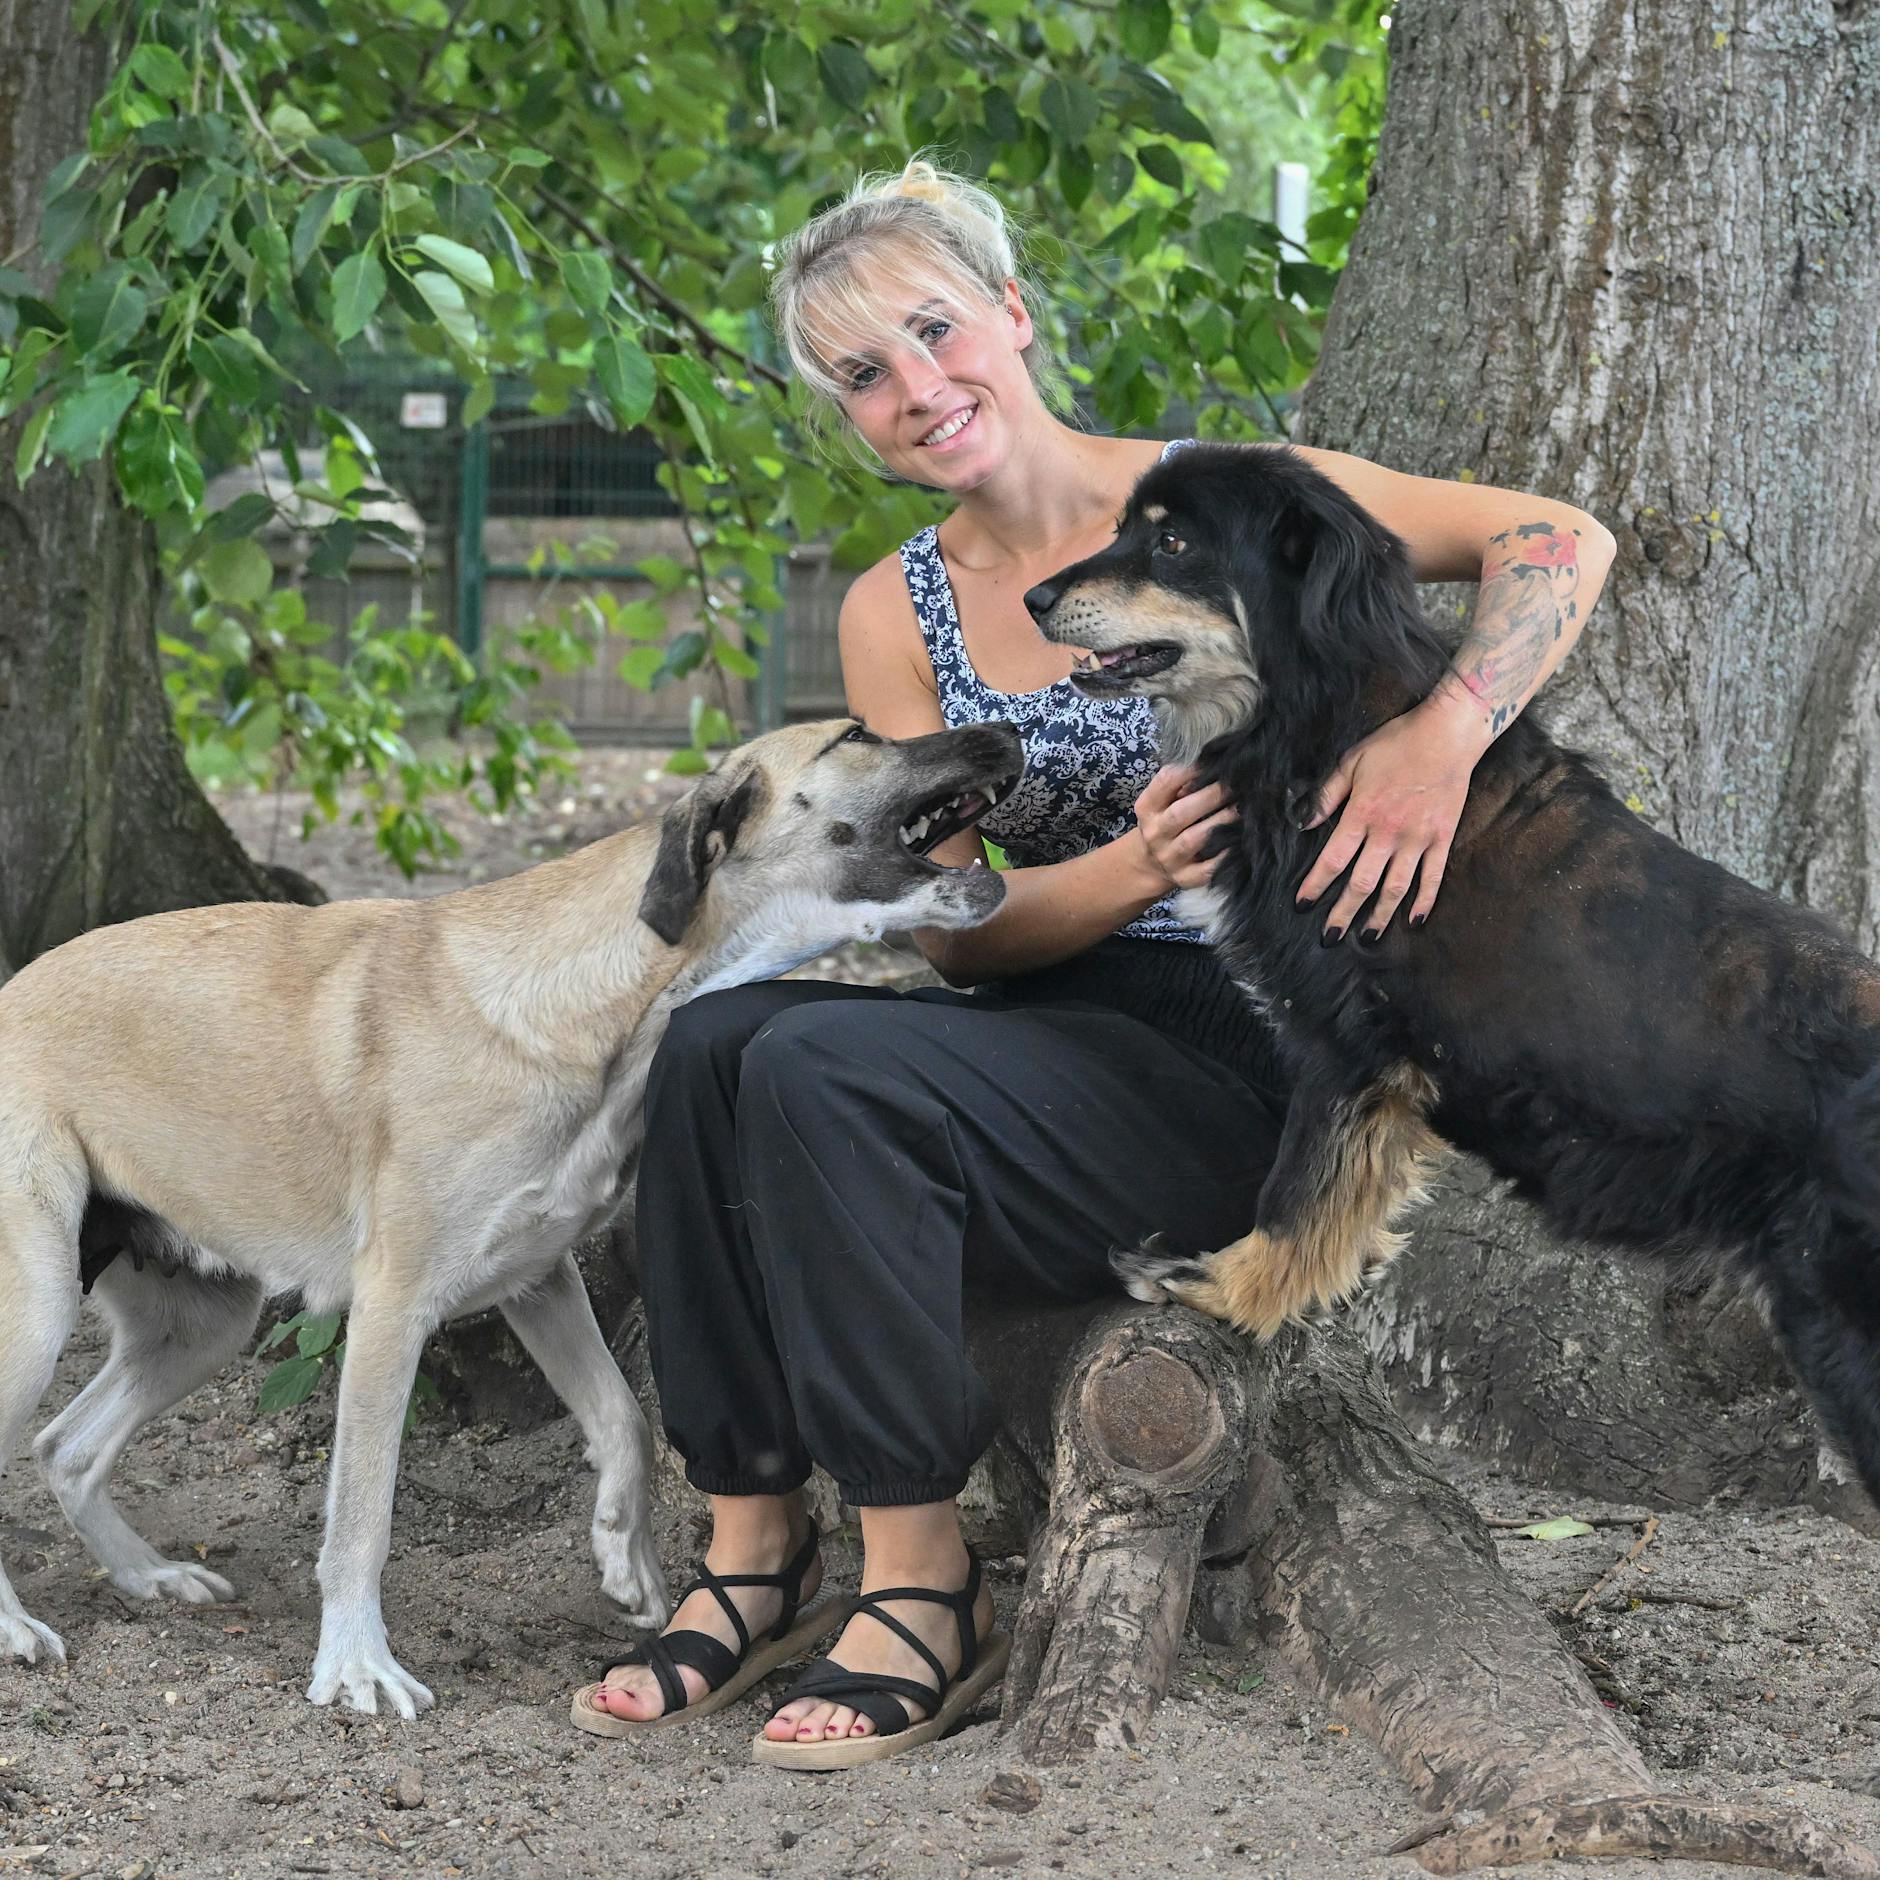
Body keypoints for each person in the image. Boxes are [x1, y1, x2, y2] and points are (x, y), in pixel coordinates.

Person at [571, 161, 1617, 1766]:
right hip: (1031, 1036)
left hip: (1250, 1054)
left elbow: (1556, 536)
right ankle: (753, 1543)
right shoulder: (893, 611)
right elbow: (955, 920)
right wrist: (1129, 860)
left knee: (810, 1058)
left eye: (934, 330)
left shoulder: (1227, 498)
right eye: (864, 373)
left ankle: (925, 1588)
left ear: (1014, 314)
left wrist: (1440, 743)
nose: (917, 388)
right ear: (844, 412)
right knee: (717, 1036)